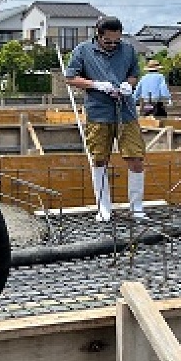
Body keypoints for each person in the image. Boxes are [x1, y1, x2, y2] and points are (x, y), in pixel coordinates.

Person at [64, 16, 146, 221]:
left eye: (116, 41)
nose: (112, 45)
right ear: (98, 36)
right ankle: (103, 208)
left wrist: (129, 85)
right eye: (108, 41)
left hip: (125, 111)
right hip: (98, 111)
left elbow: (134, 74)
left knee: (135, 158)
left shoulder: (127, 50)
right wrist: (96, 85)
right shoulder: (82, 51)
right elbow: (70, 77)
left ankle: (137, 208)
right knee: (99, 159)